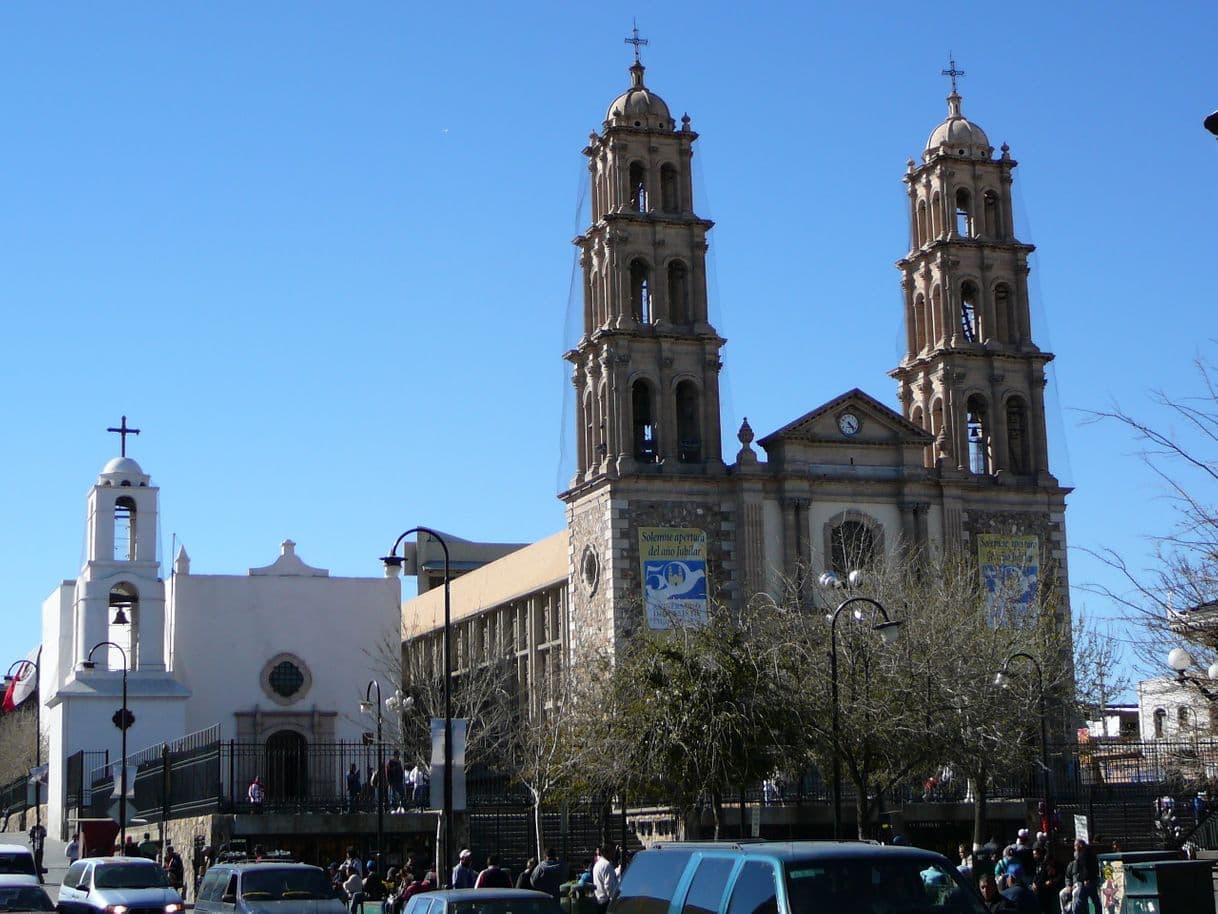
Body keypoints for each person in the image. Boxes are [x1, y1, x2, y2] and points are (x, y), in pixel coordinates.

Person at [1072, 839, 1101, 914]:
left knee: (1081, 900)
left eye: (1076, 845)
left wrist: (1086, 879)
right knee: (1095, 900)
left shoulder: (1085, 854)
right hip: (1090, 880)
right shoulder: (1087, 853)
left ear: (1080, 845)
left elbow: (1087, 868)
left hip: (1087, 881)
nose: (1075, 847)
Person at [592, 847, 620, 914]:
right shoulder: (607, 865)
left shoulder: (597, 864)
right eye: (612, 851)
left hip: (599, 900)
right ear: (606, 852)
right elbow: (609, 887)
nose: (613, 854)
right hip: (606, 904)